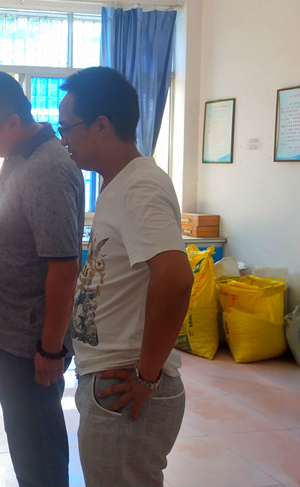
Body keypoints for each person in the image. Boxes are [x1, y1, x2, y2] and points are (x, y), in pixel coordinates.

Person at [58, 66, 193, 487]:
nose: (63, 140)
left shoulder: (139, 188)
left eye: (68, 128)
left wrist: (147, 376)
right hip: (110, 378)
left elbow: (175, 278)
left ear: (101, 126)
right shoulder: (118, 184)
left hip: (125, 384)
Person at [0, 71, 85, 487]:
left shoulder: (48, 169)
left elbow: (64, 268)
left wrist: (50, 349)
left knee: (37, 446)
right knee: (24, 434)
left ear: (11, 123)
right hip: (12, 329)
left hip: (32, 340)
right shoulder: (20, 155)